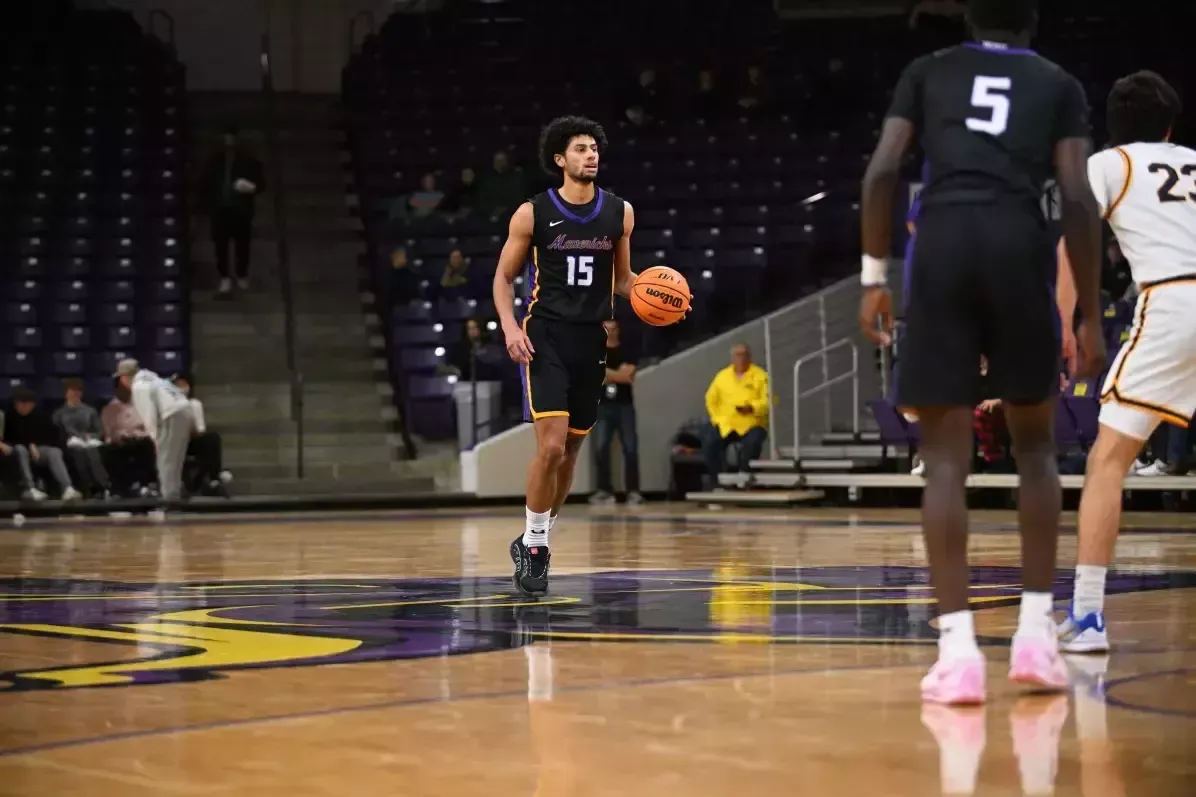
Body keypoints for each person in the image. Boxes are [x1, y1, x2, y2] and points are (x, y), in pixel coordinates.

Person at [857, 0, 1106, 704]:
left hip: (941, 244)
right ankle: (1034, 638)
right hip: (1018, 243)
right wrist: (1087, 310)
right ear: (1034, 19)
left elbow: (880, 174)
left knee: (944, 459)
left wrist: (875, 276)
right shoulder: (1059, 83)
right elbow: (1080, 199)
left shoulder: (929, 71)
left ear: (969, 18)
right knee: (1035, 451)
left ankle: (959, 653)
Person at [1053, 71, 1196, 653]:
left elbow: (1073, 244)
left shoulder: (1109, 164)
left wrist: (1068, 323)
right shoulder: (1191, 159)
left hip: (1173, 299)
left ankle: (1087, 617)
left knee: (1108, 460)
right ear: (1169, 124)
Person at [493, 116, 638, 596]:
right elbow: (502, 278)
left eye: (594, 147)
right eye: (580, 148)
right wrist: (511, 327)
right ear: (560, 159)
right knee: (551, 446)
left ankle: (535, 538)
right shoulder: (531, 213)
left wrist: (661, 298)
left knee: (572, 450)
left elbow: (623, 280)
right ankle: (536, 548)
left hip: (590, 338)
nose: (590, 154)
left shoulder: (620, 212)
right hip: (547, 335)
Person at [115, 359, 195, 504]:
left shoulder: (139, 386)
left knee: (165, 460)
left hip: (172, 414)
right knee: (175, 459)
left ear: (125, 377)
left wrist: (155, 438)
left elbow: (148, 415)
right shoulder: (151, 376)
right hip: (186, 410)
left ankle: (169, 499)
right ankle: (175, 494)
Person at [202, 126, 265, 297]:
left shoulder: (249, 161)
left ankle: (242, 274)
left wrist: (250, 187)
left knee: (242, 245)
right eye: (226, 138)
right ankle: (224, 277)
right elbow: (205, 185)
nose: (228, 141)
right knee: (220, 246)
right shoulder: (214, 161)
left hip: (241, 210)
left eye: (231, 138)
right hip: (220, 210)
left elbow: (260, 184)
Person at [701, 344, 770, 488]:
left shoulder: (760, 375)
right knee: (710, 442)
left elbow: (769, 400)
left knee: (752, 442)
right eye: (737, 355)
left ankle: (744, 477)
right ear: (732, 358)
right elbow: (710, 399)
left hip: (752, 422)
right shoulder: (722, 376)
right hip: (727, 423)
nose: (740, 358)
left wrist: (752, 408)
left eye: (744, 354)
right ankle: (717, 482)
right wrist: (717, 418)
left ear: (749, 357)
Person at [590, 318, 643, 505]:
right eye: (606, 329)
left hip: (624, 406)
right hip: (602, 406)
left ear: (618, 330)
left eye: (612, 329)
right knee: (601, 447)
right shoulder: (596, 351)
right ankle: (604, 490)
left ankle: (633, 490)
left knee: (630, 447)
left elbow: (628, 376)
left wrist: (607, 374)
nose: (609, 333)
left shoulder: (627, 351)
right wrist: (615, 374)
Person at [3, 387, 83, 502]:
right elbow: (9, 438)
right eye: (19, 403)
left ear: (32, 405)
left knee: (54, 452)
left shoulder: (41, 416)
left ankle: (67, 488)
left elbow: (51, 436)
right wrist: (29, 445)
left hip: (37, 451)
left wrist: (34, 444)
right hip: (17, 451)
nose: (21, 407)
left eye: (25, 404)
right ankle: (30, 488)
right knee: (21, 449)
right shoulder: (9, 416)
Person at [52, 378, 112, 497]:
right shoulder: (58, 413)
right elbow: (56, 434)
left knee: (92, 452)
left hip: (90, 442)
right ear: (66, 393)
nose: (75, 394)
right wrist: (71, 438)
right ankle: (86, 487)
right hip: (70, 445)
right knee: (79, 453)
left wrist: (90, 436)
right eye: (72, 391)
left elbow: (99, 430)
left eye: (78, 391)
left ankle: (103, 487)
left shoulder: (90, 411)